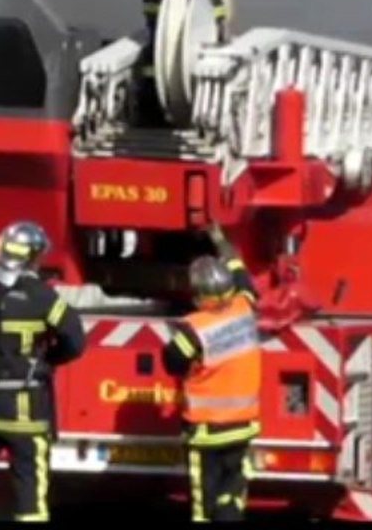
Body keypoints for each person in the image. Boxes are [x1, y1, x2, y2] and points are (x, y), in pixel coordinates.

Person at [0, 221, 85, 522]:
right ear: (33, 256)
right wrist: (48, 360)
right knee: (30, 491)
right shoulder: (42, 297)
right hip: (24, 410)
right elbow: (76, 341)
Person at [161, 223, 262, 522]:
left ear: (197, 294)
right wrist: (220, 239)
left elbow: (172, 361)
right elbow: (241, 271)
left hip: (207, 435)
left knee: (202, 508)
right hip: (242, 428)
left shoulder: (195, 330)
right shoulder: (245, 307)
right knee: (231, 498)